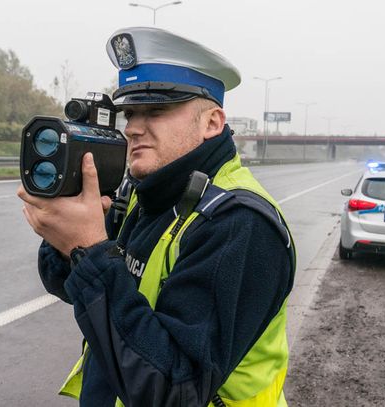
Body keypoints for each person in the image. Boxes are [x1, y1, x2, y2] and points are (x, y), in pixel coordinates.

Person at [17, 26, 296, 407]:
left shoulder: (239, 224)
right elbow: (71, 287)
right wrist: (64, 240)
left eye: (157, 111)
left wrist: (89, 247)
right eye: (130, 112)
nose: (132, 127)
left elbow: (172, 392)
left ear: (212, 122)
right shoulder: (147, 192)